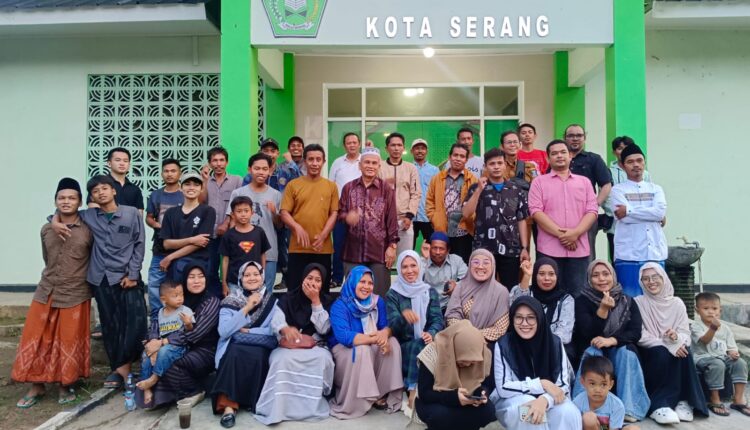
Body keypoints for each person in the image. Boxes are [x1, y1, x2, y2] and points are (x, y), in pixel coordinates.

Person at [52, 175, 147, 389]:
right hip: (101, 279)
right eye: (95, 191)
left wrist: (133, 274)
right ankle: (119, 370)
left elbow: (139, 244)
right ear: (92, 197)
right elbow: (62, 213)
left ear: (114, 191)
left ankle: (124, 366)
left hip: (127, 278)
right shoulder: (89, 216)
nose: (100, 193)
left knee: (136, 324)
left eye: (104, 188)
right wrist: (55, 222)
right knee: (110, 325)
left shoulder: (131, 213)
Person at [13, 178, 92, 408]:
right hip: (46, 289)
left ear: (79, 202)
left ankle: (65, 384)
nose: (66, 202)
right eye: (61, 198)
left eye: (71, 198)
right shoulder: (46, 229)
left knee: (68, 339)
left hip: (75, 292)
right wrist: (54, 221)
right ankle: (36, 385)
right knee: (37, 337)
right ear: (55, 201)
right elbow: (46, 258)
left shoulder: (88, 230)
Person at [254, 263, 335, 425]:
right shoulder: (288, 298)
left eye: (318, 280)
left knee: (323, 359)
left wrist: (315, 301)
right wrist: (284, 328)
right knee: (281, 359)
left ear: (323, 283)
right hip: (288, 346)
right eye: (309, 278)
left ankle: (310, 408)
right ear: (302, 279)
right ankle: (280, 407)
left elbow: (324, 329)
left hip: (316, 346)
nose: (313, 283)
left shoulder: (327, 301)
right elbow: (277, 319)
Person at [572, 260, 650, 422]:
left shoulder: (628, 301)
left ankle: (630, 409)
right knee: (593, 352)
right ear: (589, 279)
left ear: (613, 276)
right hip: (595, 349)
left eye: (606, 274)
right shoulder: (581, 301)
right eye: (595, 275)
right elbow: (586, 333)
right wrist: (602, 309)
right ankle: (582, 407)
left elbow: (635, 332)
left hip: (618, 349)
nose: (601, 279)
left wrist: (612, 340)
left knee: (626, 352)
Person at [136, 264, 220, 409]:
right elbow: (156, 322)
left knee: (171, 361)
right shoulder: (177, 297)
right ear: (184, 280)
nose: (196, 281)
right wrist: (153, 341)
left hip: (204, 349)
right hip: (178, 345)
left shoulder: (211, 302)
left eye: (201, 277)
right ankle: (156, 395)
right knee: (151, 355)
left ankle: (194, 391)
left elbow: (195, 333)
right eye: (191, 277)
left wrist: (162, 342)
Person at [491, 296, 581, 430]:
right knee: (527, 408)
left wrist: (544, 400)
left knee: (568, 412)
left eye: (531, 317)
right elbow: (503, 388)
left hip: (548, 398)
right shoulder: (504, 344)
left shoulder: (554, 343)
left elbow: (563, 386)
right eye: (519, 317)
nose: (524, 323)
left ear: (539, 318)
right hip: (513, 399)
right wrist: (541, 384)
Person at [634, 263, 707, 424]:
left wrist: (676, 339)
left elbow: (685, 333)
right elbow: (640, 335)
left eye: (655, 277)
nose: (651, 282)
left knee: (684, 350)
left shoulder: (677, 303)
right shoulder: (638, 302)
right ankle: (659, 405)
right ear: (641, 282)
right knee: (661, 352)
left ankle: (683, 401)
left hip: (673, 347)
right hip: (651, 352)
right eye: (646, 279)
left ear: (664, 278)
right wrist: (666, 344)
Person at [328, 266, 404, 419]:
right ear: (352, 282)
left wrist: (385, 334)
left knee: (393, 343)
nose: (366, 287)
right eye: (362, 282)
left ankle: (380, 393)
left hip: (369, 344)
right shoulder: (340, 305)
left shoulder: (377, 301)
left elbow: (385, 326)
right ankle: (359, 400)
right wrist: (375, 338)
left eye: (370, 283)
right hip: (344, 349)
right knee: (362, 350)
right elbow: (344, 336)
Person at [211, 261, 279, 428]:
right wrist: (247, 307)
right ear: (240, 279)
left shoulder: (272, 302)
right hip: (233, 347)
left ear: (262, 277)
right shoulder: (231, 300)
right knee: (234, 353)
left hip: (259, 346)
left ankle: (251, 402)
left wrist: (248, 331)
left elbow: (273, 331)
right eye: (247, 275)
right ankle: (228, 407)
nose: (252, 278)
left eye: (256, 274)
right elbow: (224, 331)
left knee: (258, 355)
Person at [529, 140, 598, 297]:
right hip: (549, 250)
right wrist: (565, 235)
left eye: (563, 152)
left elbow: (592, 211)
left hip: (579, 249)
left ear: (570, 155)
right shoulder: (538, 182)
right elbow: (536, 212)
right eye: (554, 153)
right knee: (548, 295)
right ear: (548, 158)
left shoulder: (585, 182)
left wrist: (576, 233)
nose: (559, 156)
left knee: (579, 295)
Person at [385, 251, 444, 412]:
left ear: (420, 267)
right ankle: (413, 391)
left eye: (413, 265)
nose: (409, 270)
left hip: (427, 341)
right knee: (418, 345)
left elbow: (437, 320)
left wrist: (431, 333)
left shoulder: (429, 291)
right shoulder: (393, 294)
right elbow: (392, 326)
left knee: (424, 343)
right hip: (403, 346)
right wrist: (403, 318)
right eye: (404, 267)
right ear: (399, 269)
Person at [463, 148, 530, 288]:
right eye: (492, 164)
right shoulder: (476, 188)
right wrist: (479, 190)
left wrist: (524, 247)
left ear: (505, 164)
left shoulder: (516, 189)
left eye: (500, 163)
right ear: (485, 166)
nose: (496, 167)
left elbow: (521, 219)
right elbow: (466, 214)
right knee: (482, 288)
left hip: (510, 249)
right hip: (484, 248)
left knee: (510, 289)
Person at [242, 138, 301, 290]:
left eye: (272, 151)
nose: (269, 154)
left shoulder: (286, 171)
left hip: (282, 217)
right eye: (266, 150)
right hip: (260, 220)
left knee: (284, 251)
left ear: (278, 153)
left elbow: (301, 182)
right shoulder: (250, 176)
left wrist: (291, 163)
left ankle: (287, 280)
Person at [414, 320, 496, 430]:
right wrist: (453, 397)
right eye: (463, 360)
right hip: (437, 401)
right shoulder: (433, 352)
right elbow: (424, 393)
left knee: (488, 411)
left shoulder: (482, 353)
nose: (467, 365)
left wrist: (481, 393)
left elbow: (486, 384)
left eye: (472, 362)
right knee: (440, 416)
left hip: (466, 401)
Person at [339, 147, 399, 296]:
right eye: (367, 162)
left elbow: (392, 219)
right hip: (353, 252)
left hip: (379, 252)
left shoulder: (386, 189)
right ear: (360, 165)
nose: (370, 166)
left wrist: (392, 246)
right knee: (353, 295)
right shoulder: (348, 188)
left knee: (379, 297)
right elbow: (339, 213)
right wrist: (346, 217)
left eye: (374, 163)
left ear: (379, 166)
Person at [610, 144, 667, 297]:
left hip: (655, 253)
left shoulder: (656, 189)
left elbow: (659, 212)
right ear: (623, 166)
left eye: (639, 160)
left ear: (644, 162)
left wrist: (629, 210)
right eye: (630, 162)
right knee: (630, 300)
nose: (636, 165)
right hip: (629, 255)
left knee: (657, 298)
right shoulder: (617, 190)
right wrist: (651, 213)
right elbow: (623, 217)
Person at [280, 144, 338, 293]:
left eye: (318, 159)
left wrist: (324, 235)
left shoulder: (331, 186)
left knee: (321, 292)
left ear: (324, 161)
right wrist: (296, 227)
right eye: (311, 159)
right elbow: (284, 212)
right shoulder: (293, 185)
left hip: (322, 248)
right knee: (295, 291)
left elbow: (334, 213)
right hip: (297, 248)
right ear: (305, 161)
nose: (315, 163)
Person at [225, 153, 281, 292]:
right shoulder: (238, 193)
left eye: (265, 169)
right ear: (249, 169)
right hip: (242, 251)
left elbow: (280, 226)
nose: (261, 172)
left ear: (270, 170)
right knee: (239, 293)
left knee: (265, 293)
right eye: (257, 168)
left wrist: (274, 213)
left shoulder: (276, 195)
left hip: (268, 252)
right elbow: (232, 223)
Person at [691, 292, 750, 417]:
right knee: (717, 364)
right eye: (705, 308)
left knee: (740, 363)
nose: (710, 312)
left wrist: (732, 353)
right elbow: (705, 340)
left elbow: (731, 347)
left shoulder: (725, 328)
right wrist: (713, 328)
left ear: (720, 310)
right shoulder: (696, 326)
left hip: (722, 357)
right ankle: (714, 399)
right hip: (703, 358)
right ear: (697, 310)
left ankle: (738, 399)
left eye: (714, 308)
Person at [136, 280, 195, 405]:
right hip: (161, 344)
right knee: (145, 355)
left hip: (177, 346)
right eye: (175, 296)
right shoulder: (160, 313)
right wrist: (152, 343)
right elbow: (154, 329)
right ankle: (147, 388)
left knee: (164, 351)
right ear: (164, 299)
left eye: (181, 294)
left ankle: (154, 378)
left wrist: (188, 323)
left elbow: (189, 332)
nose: (180, 298)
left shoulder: (185, 311)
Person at [510, 258, 575, 359]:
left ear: (557, 276)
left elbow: (564, 334)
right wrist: (527, 275)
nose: (547, 278)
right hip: (524, 343)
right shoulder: (527, 292)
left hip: (553, 348)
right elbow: (515, 306)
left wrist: (540, 344)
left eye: (551, 274)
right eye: (541, 274)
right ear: (535, 275)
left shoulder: (566, 300)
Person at [564, 124, 613, 260]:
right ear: (565, 138)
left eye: (579, 135)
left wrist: (594, 205)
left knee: (587, 252)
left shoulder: (594, 159)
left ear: (584, 138)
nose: (575, 138)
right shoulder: (559, 159)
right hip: (561, 213)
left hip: (586, 215)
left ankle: (588, 275)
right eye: (571, 136)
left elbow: (606, 184)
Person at [445, 249, 510, 348]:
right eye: (476, 262)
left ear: (493, 266)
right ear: (470, 265)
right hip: (459, 341)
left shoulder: (501, 292)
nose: (480, 266)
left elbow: (500, 328)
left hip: (487, 345)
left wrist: (473, 335)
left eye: (486, 263)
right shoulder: (461, 287)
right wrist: (464, 334)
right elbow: (452, 316)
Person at [201, 146, 243, 295]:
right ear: (209, 163)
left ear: (227, 162)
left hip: (231, 232)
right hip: (210, 233)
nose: (218, 164)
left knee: (231, 268)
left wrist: (226, 222)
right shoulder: (204, 181)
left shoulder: (237, 180)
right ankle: (214, 301)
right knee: (210, 269)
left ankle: (230, 299)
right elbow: (201, 202)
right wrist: (204, 181)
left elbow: (239, 204)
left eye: (221, 160)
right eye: (215, 160)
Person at [160, 172, 216, 283]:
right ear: (181, 188)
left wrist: (170, 257)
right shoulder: (170, 213)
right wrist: (192, 239)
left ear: (201, 189)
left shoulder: (208, 211)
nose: (191, 188)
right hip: (175, 267)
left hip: (199, 266)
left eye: (196, 185)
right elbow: (166, 244)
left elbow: (202, 242)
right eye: (187, 184)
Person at [426, 143, 478, 263]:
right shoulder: (437, 179)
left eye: (462, 156)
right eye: (455, 155)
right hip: (442, 230)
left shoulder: (472, 180)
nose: (458, 159)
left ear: (466, 160)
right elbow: (429, 201)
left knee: (462, 266)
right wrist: (434, 218)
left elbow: (476, 205)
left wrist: (471, 219)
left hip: (463, 231)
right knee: (441, 264)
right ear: (449, 157)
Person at [602, 136, 652, 261]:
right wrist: (619, 214)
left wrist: (631, 212)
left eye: (627, 147)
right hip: (616, 226)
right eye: (620, 148)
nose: (624, 151)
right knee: (619, 260)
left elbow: (649, 199)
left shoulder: (645, 174)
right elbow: (607, 199)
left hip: (642, 226)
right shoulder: (608, 172)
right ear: (614, 152)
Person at [145, 159, 184, 313]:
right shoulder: (156, 195)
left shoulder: (184, 194)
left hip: (181, 248)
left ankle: (179, 318)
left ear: (179, 173)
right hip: (160, 247)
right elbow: (149, 217)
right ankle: (157, 318)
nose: (169, 174)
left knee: (180, 284)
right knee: (155, 284)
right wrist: (158, 226)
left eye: (173, 171)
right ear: (161, 174)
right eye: (166, 171)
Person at [379, 132, 421, 257]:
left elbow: (416, 193)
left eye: (399, 145)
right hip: (383, 221)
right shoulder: (379, 167)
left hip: (404, 220)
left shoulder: (411, 168)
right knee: (383, 258)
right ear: (386, 148)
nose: (396, 148)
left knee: (405, 257)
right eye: (393, 145)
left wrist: (409, 216)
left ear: (403, 148)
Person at [329, 132, 362, 289]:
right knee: (339, 245)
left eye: (354, 142)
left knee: (358, 246)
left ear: (359, 144)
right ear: (344, 145)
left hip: (361, 212)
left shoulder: (364, 160)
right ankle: (337, 277)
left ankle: (358, 278)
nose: (352, 145)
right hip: (341, 211)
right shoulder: (337, 162)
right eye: (349, 142)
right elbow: (331, 186)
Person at [220, 196, 271, 296]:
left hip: (255, 281)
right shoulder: (228, 235)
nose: (243, 214)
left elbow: (263, 255)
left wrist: (262, 275)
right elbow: (225, 260)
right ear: (232, 214)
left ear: (252, 212)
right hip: (234, 283)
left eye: (246, 211)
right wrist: (224, 283)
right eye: (239, 211)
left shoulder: (259, 232)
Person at [574, 356, 640, 430]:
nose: (597, 390)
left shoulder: (617, 405)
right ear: (582, 382)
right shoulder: (578, 402)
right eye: (592, 384)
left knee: (633, 429)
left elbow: (615, 428)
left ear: (610, 384)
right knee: (589, 418)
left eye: (603, 384)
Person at [87, 147, 144, 214]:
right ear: (109, 163)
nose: (122, 163)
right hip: (104, 220)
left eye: (125, 161)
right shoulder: (99, 184)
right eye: (118, 160)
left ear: (129, 165)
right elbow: (93, 210)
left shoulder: (135, 189)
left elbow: (138, 215)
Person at [422, 231, 468, 311]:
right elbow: (414, 284)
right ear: (430, 248)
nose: (437, 252)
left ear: (448, 250)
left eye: (441, 249)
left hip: (450, 307)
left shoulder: (456, 260)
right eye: (434, 248)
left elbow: (468, 280)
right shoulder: (421, 262)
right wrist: (425, 260)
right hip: (427, 307)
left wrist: (457, 285)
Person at [411, 138, 439, 248]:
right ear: (412, 151)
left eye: (422, 148)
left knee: (431, 247)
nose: (420, 151)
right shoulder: (408, 168)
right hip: (410, 216)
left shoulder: (434, 170)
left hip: (427, 216)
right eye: (417, 148)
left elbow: (437, 193)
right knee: (408, 247)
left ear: (426, 151)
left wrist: (436, 215)